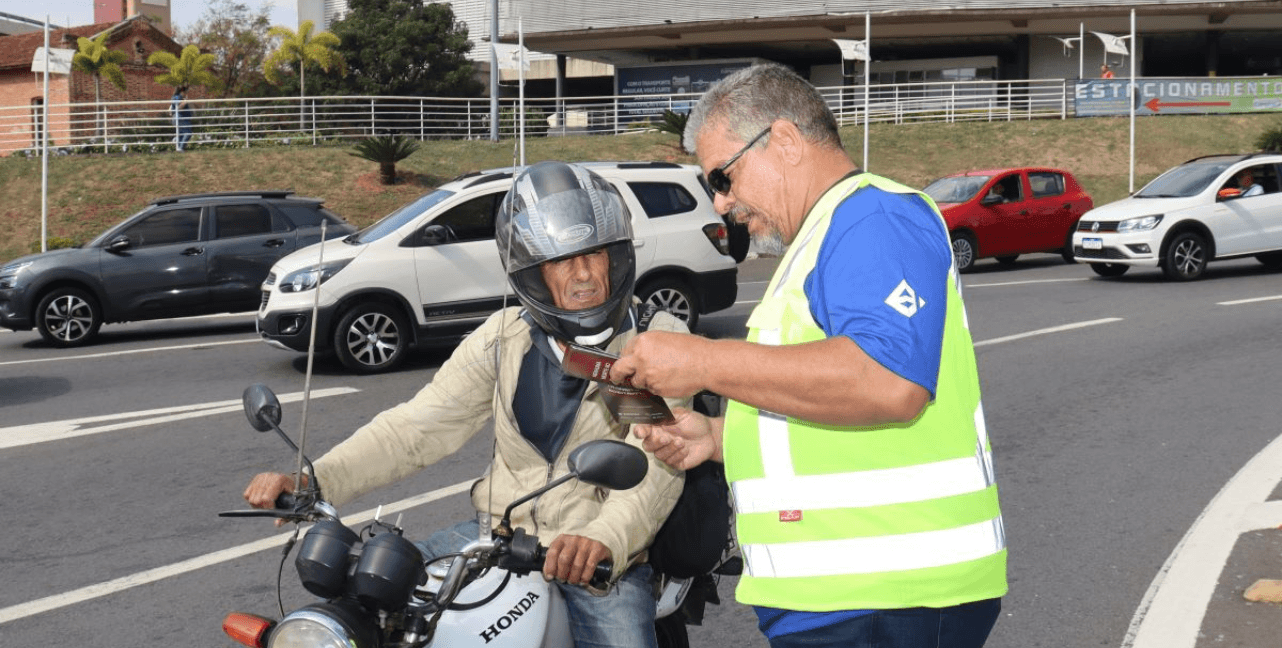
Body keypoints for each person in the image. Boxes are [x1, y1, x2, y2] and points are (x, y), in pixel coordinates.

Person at [608, 63, 1007, 648]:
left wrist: (701, 361)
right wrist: (719, 437)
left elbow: (886, 382)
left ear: (786, 142)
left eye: (723, 176)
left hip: (886, 598)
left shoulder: (871, 217)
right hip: (859, 599)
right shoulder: (826, 237)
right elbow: (823, 395)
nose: (721, 203)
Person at [243, 161, 687, 648]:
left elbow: (657, 463)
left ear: (617, 257)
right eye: (561, 260)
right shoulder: (502, 339)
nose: (583, 274)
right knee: (379, 609)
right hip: (496, 539)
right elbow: (416, 428)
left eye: (594, 253)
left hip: (594, 558)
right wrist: (314, 478)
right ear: (533, 271)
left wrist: (604, 540)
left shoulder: (651, 343)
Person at [171, 86, 192, 151]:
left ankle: (179, 147)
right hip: (180, 118)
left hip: (181, 118)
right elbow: (178, 106)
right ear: (183, 91)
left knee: (181, 134)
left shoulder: (178, 96)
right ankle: (180, 146)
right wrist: (185, 102)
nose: (187, 93)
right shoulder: (178, 96)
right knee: (188, 133)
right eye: (186, 92)